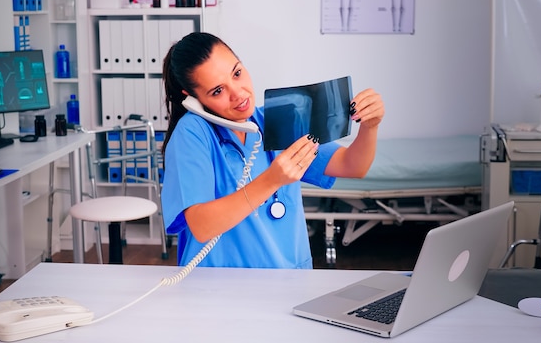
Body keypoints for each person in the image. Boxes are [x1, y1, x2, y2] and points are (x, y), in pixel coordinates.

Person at [161, 32, 385, 269]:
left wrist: (370, 127)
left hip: (290, 279)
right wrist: (272, 179)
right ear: (193, 98)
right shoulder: (192, 134)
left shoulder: (275, 118)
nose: (238, 94)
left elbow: (353, 165)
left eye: (237, 73)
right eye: (217, 91)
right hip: (222, 289)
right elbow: (201, 225)